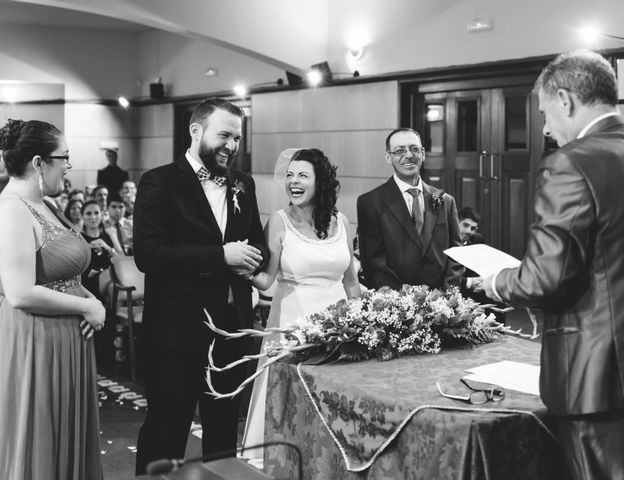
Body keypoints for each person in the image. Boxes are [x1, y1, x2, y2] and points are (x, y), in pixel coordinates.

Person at [480, 50, 624, 479]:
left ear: (566, 100)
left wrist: (498, 281)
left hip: (597, 379)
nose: (547, 129)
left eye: (546, 114)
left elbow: (546, 277)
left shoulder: (571, 163)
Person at [133, 97, 268, 475]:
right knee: (167, 428)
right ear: (196, 130)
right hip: (177, 327)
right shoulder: (159, 181)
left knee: (224, 430)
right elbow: (149, 254)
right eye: (224, 135)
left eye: (238, 138)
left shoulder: (244, 183)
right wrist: (220, 256)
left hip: (231, 325)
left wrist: (254, 257)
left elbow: (255, 241)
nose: (232, 146)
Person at [0, 119, 105, 480]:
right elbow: (19, 292)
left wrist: (89, 295)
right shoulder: (12, 208)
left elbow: (63, 275)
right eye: (65, 157)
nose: (70, 164)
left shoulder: (44, 203)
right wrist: (88, 305)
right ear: (38, 163)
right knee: (41, 437)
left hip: (67, 340)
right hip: (38, 341)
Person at [244, 148, 361, 460]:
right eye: (290, 175)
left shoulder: (342, 221)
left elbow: (350, 282)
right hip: (291, 324)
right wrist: (241, 271)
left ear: (320, 182)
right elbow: (267, 280)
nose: (293, 181)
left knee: (332, 398)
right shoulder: (279, 222)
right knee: (290, 400)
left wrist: (364, 323)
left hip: (337, 328)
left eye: (302, 175)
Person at [357, 127, 463, 291]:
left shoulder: (446, 202)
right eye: (400, 151)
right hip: (394, 303)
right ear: (388, 157)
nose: (408, 155)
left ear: (423, 153)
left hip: (440, 302)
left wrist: (446, 295)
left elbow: (456, 255)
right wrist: (401, 303)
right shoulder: (370, 202)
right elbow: (373, 261)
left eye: (414, 149)